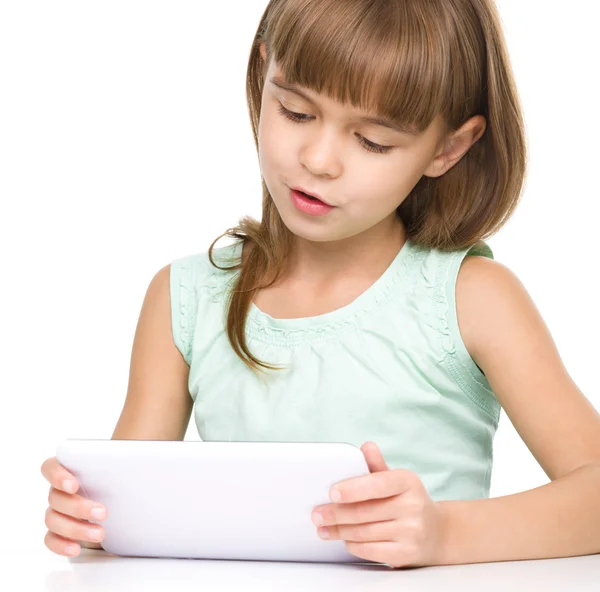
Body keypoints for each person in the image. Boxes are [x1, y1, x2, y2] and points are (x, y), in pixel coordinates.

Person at [40, 0, 600, 569]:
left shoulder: (471, 298)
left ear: (448, 148)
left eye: (374, 141)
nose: (318, 159)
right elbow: (128, 510)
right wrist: (88, 515)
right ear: (264, 77)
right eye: (296, 112)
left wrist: (444, 534)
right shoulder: (185, 298)